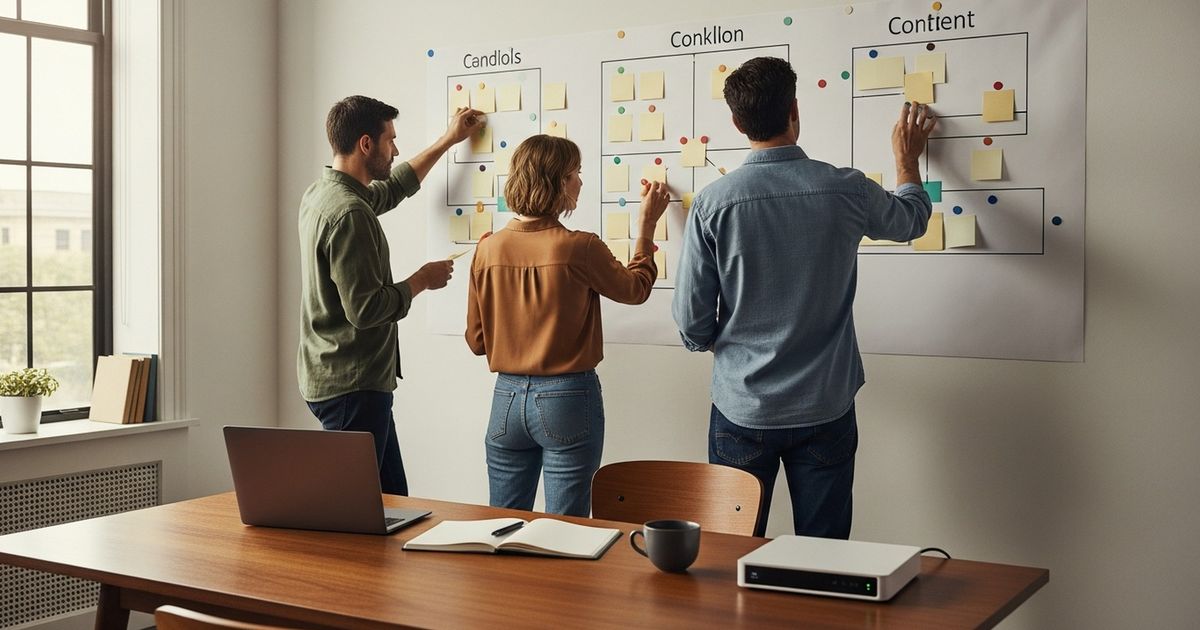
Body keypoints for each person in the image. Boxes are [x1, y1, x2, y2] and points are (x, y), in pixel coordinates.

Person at [672, 57, 937, 538]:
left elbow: (691, 318)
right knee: (824, 556)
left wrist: (724, 347)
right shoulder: (846, 189)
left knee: (728, 553)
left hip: (742, 406)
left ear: (736, 122)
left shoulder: (714, 203)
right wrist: (906, 161)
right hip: (825, 406)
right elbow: (911, 220)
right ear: (795, 110)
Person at [465, 135, 670, 516]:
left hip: (506, 399)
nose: (580, 182)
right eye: (576, 173)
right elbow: (636, 289)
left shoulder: (487, 248)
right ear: (559, 182)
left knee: (502, 525)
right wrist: (646, 227)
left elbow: (478, 342)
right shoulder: (580, 247)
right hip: (568, 397)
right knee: (565, 528)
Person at [298, 95, 483, 495]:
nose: (395, 149)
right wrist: (422, 280)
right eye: (390, 140)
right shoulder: (350, 214)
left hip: (334, 375)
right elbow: (366, 310)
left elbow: (394, 187)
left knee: (392, 500)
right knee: (362, 506)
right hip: (353, 385)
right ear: (366, 144)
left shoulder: (322, 193)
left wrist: (449, 139)